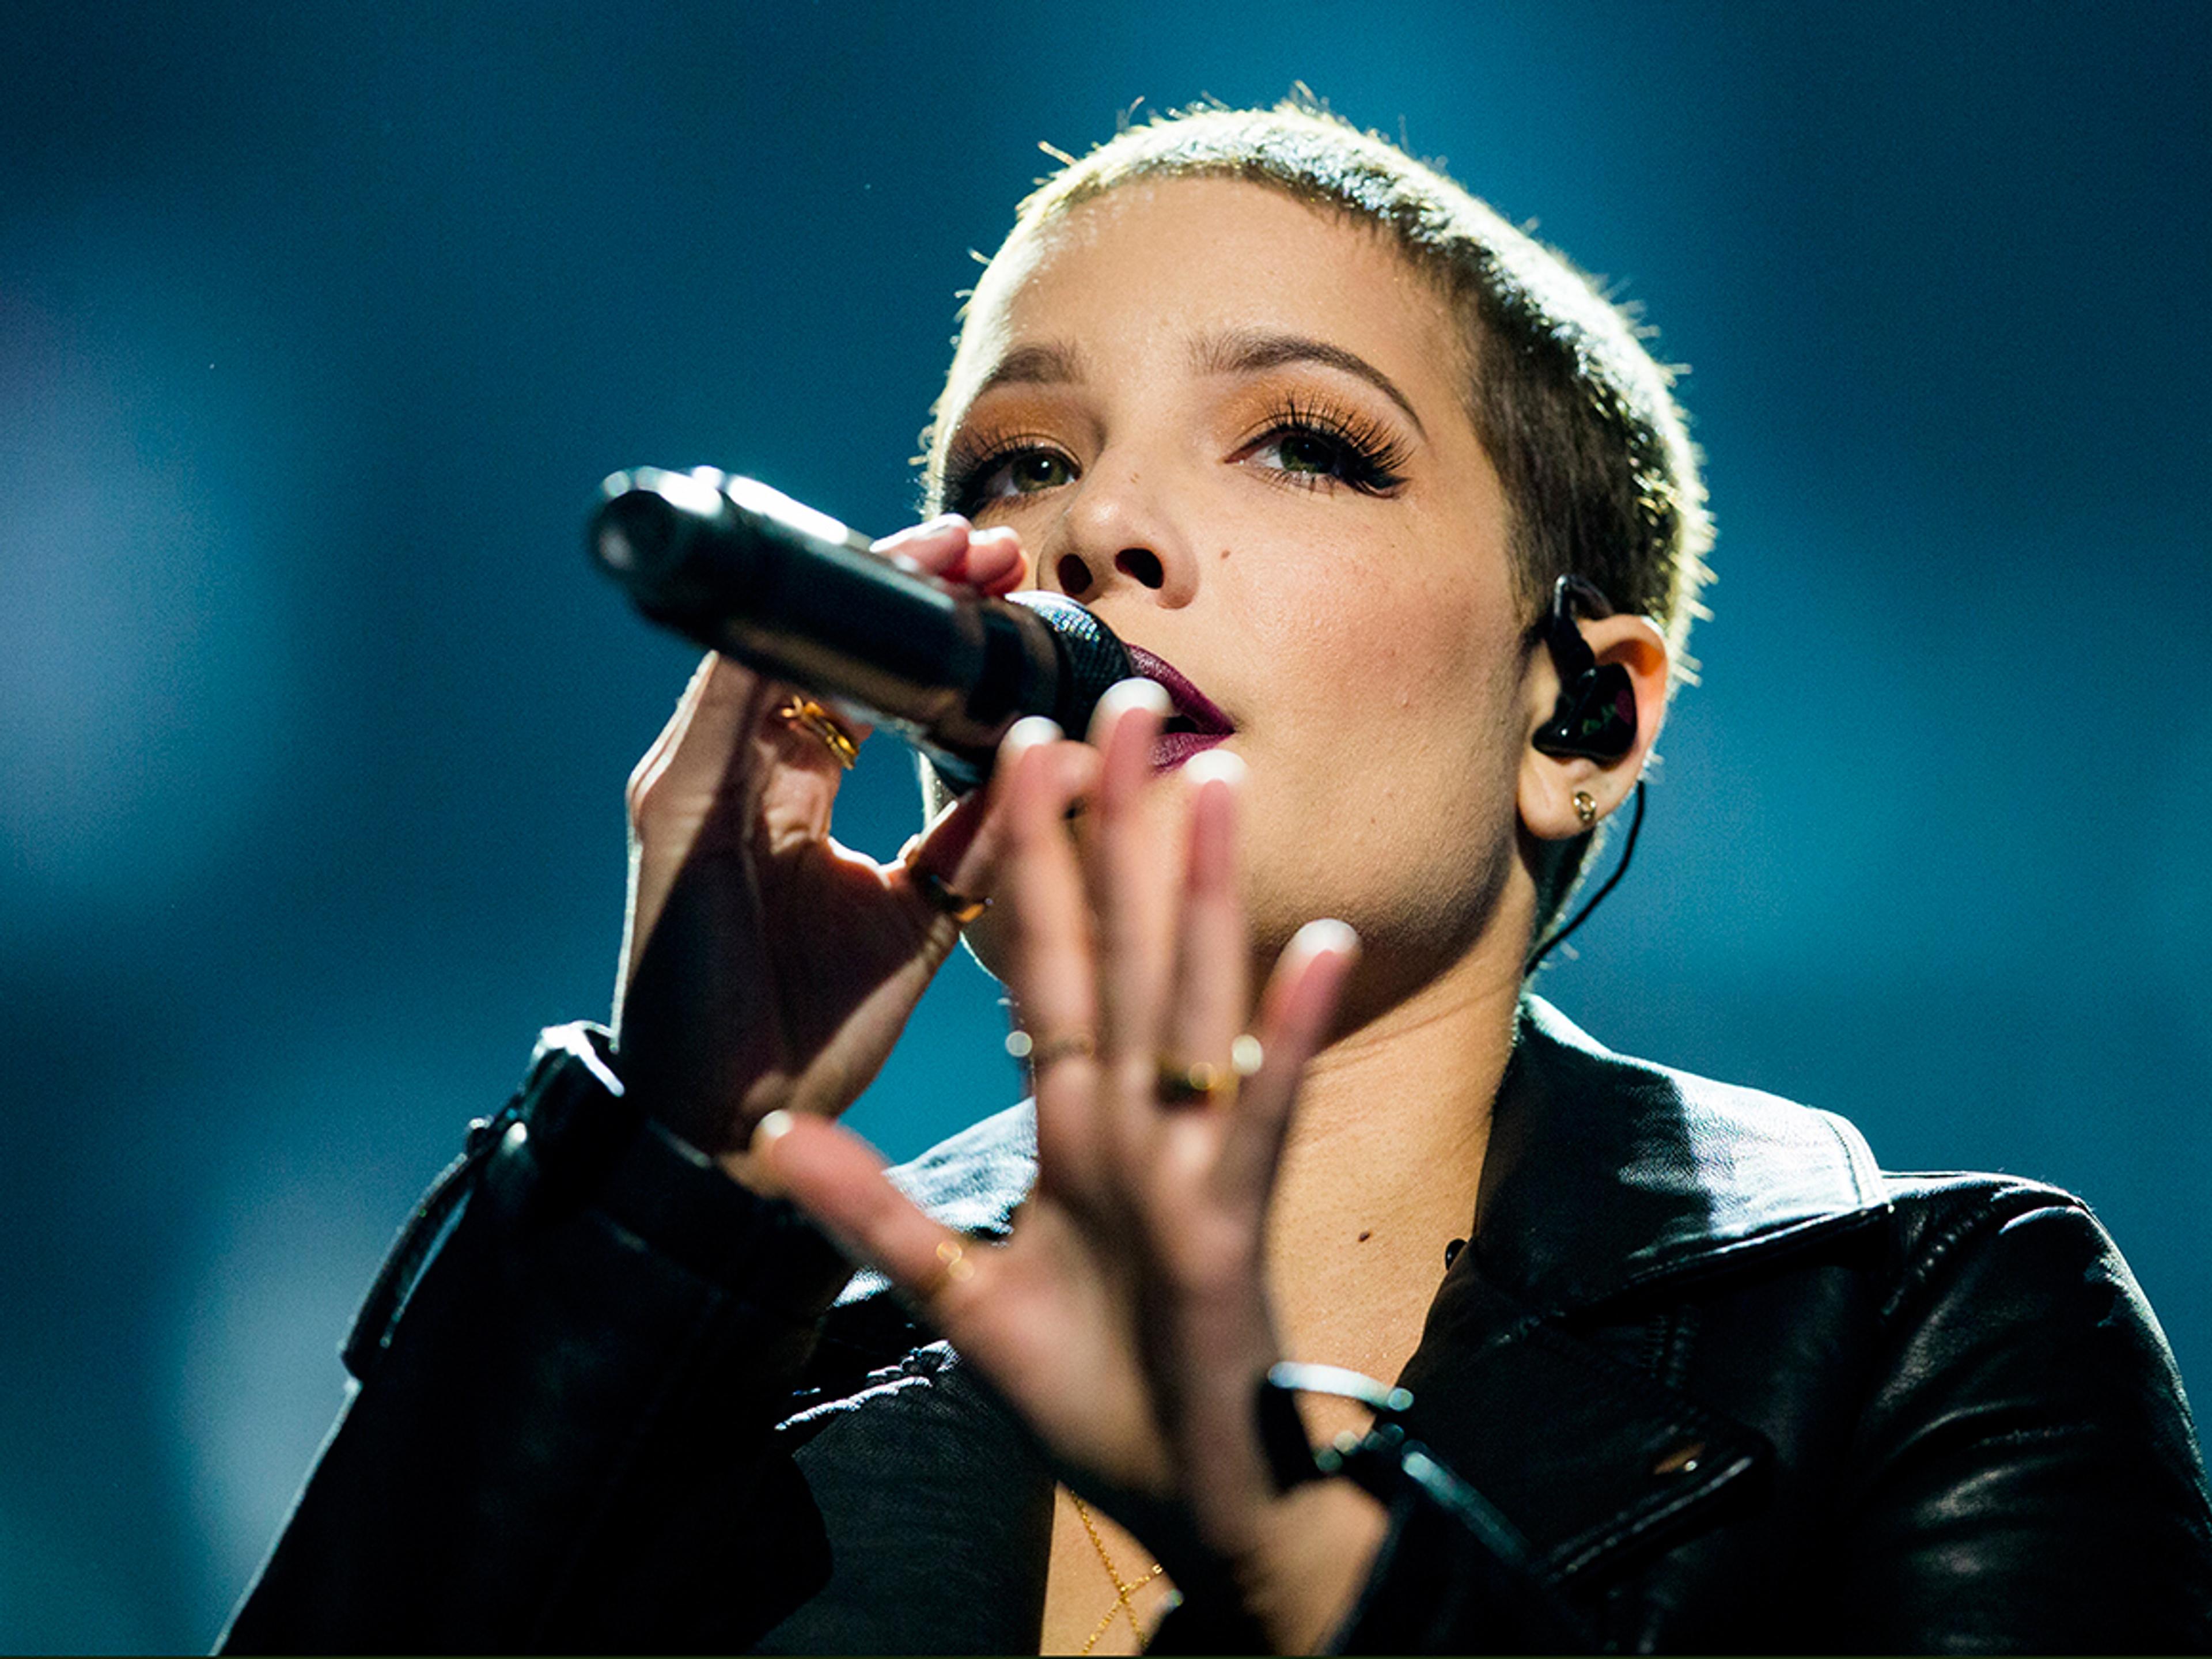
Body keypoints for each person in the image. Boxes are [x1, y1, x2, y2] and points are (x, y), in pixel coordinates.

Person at [220, 101, 2212, 1653]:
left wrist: (1287, 1539)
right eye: (1018, 467)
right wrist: (667, 1171)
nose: (1100, 529)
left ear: (1583, 716)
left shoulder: (1925, 1339)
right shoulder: (744, 1372)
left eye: (1307, 445)